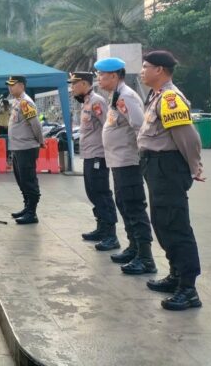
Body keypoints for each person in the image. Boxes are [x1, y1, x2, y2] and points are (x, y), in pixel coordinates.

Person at [138, 50, 203, 311]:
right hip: (156, 167)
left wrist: (195, 166)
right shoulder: (156, 96)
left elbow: (188, 137)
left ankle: (188, 289)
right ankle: (176, 275)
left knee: (175, 225)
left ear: (160, 70)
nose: (142, 71)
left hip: (168, 168)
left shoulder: (171, 98)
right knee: (162, 223)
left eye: (146, 67)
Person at [94, 57, 156, 275]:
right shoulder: (116, 95)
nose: (98, 78)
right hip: (118, 162)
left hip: (128, 162)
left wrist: (141, 157)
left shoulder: (126, 96)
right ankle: (134, 248)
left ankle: (146, 258)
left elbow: (140, 127)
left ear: (113, 75)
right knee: (124, 204)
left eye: (101, 74)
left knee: (134, 207)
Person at [69, 72, 119, 251]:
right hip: (89, 155)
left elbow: (108, 126)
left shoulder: (97, 101)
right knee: (92, 192)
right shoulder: (87, 102)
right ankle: (101, 228)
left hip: (99, 155)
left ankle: (111, 235)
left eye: (74, 84)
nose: (72, 87)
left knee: (101, 193)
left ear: (84, 83)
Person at [6, 76, 44, 225]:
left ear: (21, 86)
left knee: (28, 180)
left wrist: (40, 141)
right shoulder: (17, 102)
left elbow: (35, 124)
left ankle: (32, 213)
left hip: (26, 148)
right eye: (8, 85)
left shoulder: (26, 102)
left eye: (12, 85)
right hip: (17, 148)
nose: (10, 88)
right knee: (21, 179)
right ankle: (27, 206)